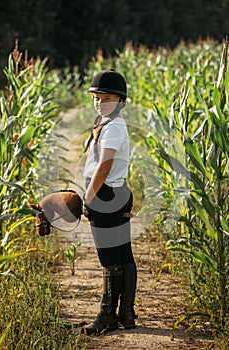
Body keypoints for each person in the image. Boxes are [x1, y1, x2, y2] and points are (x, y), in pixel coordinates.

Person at [81, 69, 137, 335]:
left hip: (106, 194)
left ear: (119, 101)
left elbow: (104, 165)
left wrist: (89, 197)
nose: (100, 102)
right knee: (123, 255)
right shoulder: (107, 123)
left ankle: (107, 316)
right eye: (97, 97)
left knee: (109, 259)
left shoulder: (113, 127)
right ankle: (126, 314)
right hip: (118, 191)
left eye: (106, 98)